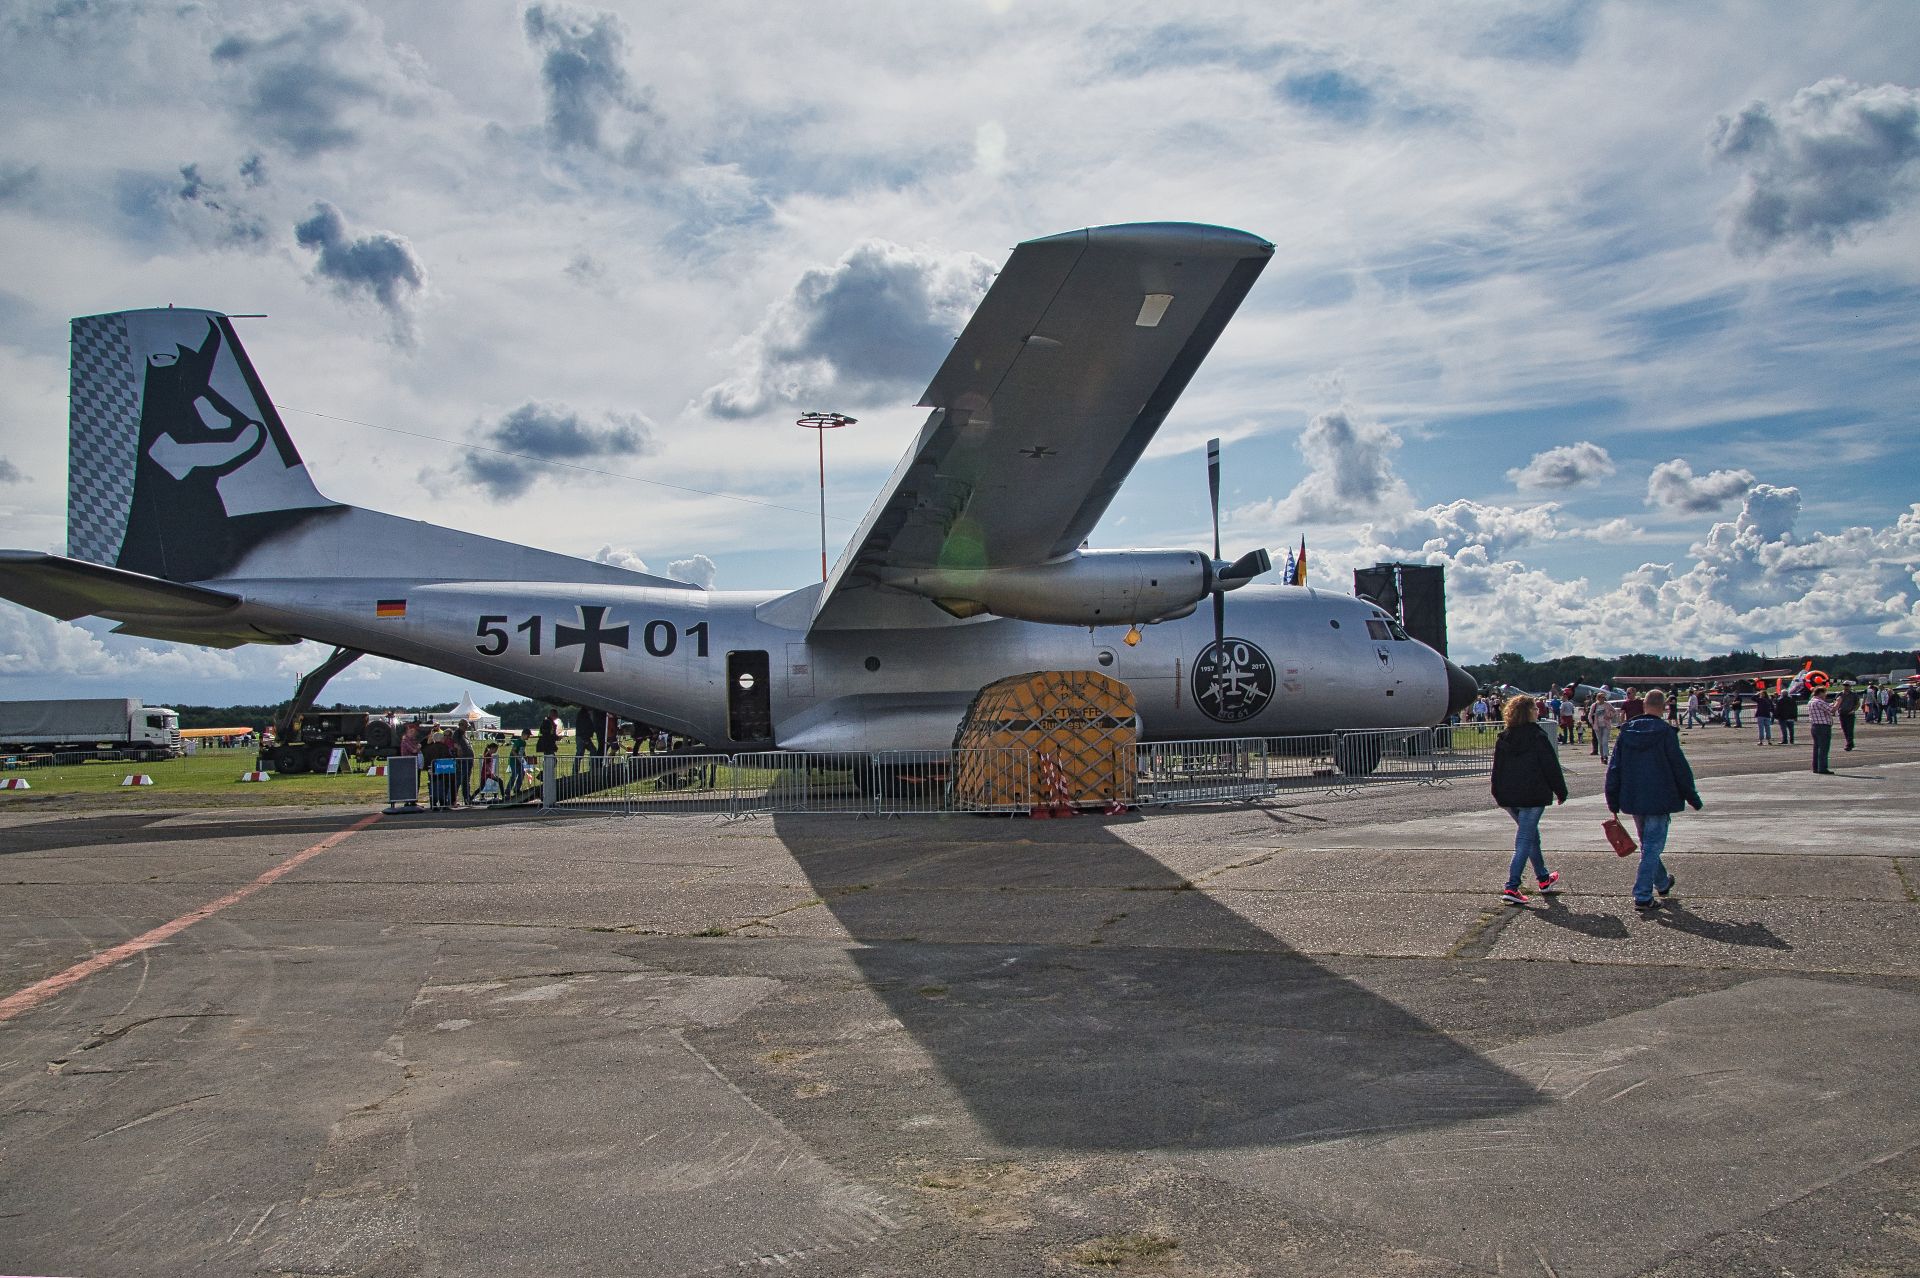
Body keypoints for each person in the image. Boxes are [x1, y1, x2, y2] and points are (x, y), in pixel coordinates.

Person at [1605, 690, 1702, 911]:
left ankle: (1662, 883)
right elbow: (1679, 767)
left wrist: (1612, 798)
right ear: (1664, 707)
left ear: (1643, 706)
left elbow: (1614, 768)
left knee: (1648, 845)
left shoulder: (1626, 733)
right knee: (1652, 847)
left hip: (1634, 797)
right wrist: (1692, 796)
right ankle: (1642, 894)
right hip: (1660, 797)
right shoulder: (1666, 733)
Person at [1490, 696, 1569, 905]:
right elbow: (1550, 766)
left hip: (1509, 795)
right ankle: (1512, 885)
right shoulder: (1537, 736)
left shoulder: (1504, 737)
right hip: (1532, 795)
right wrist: (1560, 790)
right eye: (1534, 708)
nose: (1537, 711)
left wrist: (1497, 792)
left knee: (1531, 836)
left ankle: (1543, 878)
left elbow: (1497, 769)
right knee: (1525, 839)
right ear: (1528, 712)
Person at [1806, 687, 1837, 774]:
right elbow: (1832, 710)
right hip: (1823, 727)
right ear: (1820, 693)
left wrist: (1833, 703)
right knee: (1824, 748)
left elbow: (1827, 706)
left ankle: (1816, 767)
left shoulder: (1811, 701)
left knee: (1817, 748)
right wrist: (1838, 702)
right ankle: (1822, 768)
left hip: (1815, 726)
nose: (1825, 695)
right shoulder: (1819, 702)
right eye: (1824, 693)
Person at [507, 727, 530, 795]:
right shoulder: (518, 742)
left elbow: (522, 752)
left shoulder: (524, 743)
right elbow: (513, 751)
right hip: (513, 761)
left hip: (519, 761)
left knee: (522, 773)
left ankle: (516, 789)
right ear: (524, 734)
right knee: (514, 775)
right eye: (528, 735)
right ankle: (507, 791)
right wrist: (518, 757)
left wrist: (526, 758)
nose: (529, 737)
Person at [1837, 684, 1860, 752]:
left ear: (1850, 687)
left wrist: (1853, 710)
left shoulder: (1854, 695)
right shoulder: (1840, 694)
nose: (1846, 687)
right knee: (1845, 729)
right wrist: (1837, 709)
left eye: (1847, 686)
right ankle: (1850, 743)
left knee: (1849, 730)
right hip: (1842, 714)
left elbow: (1858, 703)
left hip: (1850, 714)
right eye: (1845, 686)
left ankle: (1849, 744)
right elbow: (1836, 702)